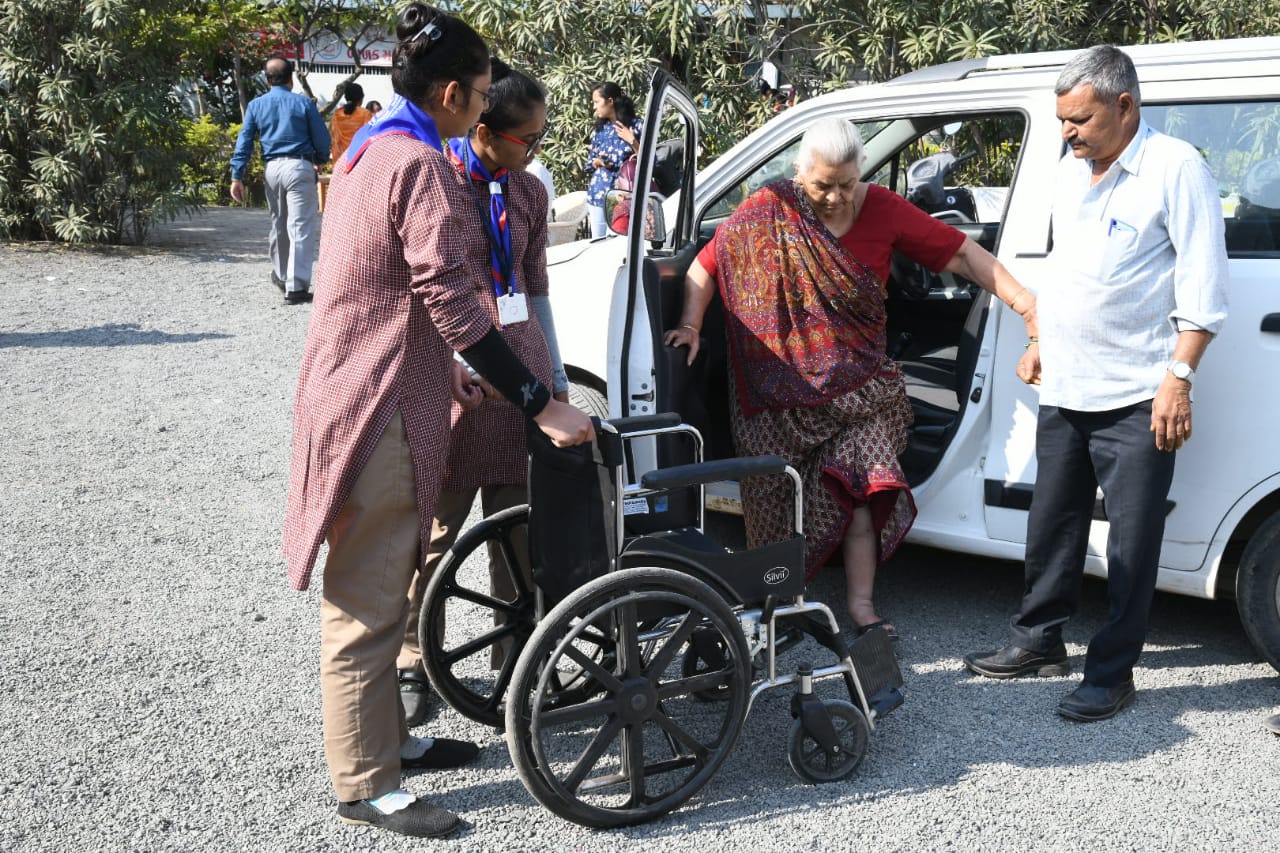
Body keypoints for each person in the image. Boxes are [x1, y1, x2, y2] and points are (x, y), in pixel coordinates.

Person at [281, 4, 593, 839]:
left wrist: (461, 373)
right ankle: (368, 784)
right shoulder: (419, 165)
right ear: (452, 93)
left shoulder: (369, 146)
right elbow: (453, 299)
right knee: (367, 603)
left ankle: (393, 745)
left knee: (384, 585)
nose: (486, 107)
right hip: (377, 405)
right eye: (483, 92)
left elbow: (395, 288)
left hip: (361, 389)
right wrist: (539, 399)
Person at [663, 118, 1037, 640]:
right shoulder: (771, 208)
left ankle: (861, 606)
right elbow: (707, 265)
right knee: (769, 493)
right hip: (778, 396)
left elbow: (961, 254)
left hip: (864, 391)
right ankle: (777, 598)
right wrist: (690, 324)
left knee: (862, 488)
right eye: (824, 185)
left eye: (847, 183)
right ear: (800, 173)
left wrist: (1024, 303)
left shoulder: (882, 207)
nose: (838, 196)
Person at [963, 45, 1228, 722]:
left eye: (1078, 119)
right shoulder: (1065, 171)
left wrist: (1179, 380)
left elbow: (1204, 288)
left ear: (1124, 105)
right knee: (1052, 524)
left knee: (1131, 541)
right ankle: (1038, 638)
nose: (1068, 133)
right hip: (1067, 386)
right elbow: (1066, 272)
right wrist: (1039, 337)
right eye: (1061, 121)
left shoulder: (1176, 170)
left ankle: (1112, 671)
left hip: (1140, 394)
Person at [396, 57, 570, 725]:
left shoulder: (529, 194)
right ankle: (414, 658)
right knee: (436, 532)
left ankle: (516, 656)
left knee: (518, 532)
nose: (539, 150)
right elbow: (422, 294)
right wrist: (443, 365)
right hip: (457, 378)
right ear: (485, 130)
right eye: (531, 139)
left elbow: (535, 288)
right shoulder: (438, 184)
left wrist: (552, 381)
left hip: (518, 375)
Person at [230, 56, 330, 305]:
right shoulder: (304, 104)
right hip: (299, 165)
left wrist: (237, 176)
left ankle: (281, 275)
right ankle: (296, 287)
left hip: (272, 168)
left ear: (267, 80)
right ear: (291, 79)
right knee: (300, 226)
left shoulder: (256, 105)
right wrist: (319, 158)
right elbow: (322, 140)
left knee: (278, 223)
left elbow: (244, 141)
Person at [584, 81, 642, 238]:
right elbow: (588, 164)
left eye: (597, 102)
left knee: (617, 245)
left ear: (610, 101)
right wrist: (598, 162)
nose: (594, 107)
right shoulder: (599, 130)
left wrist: (633, 141)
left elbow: (650, 161)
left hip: (623, 197)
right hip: (598, 196)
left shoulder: (636, 126)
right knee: (597, 244)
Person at [329, 81, 374, 164]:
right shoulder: (365, 114)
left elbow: (334, 137)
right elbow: (369, 137)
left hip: (340, 160)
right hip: (358, 160)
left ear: (346, 97)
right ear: (361, 97)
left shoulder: (337, 114)